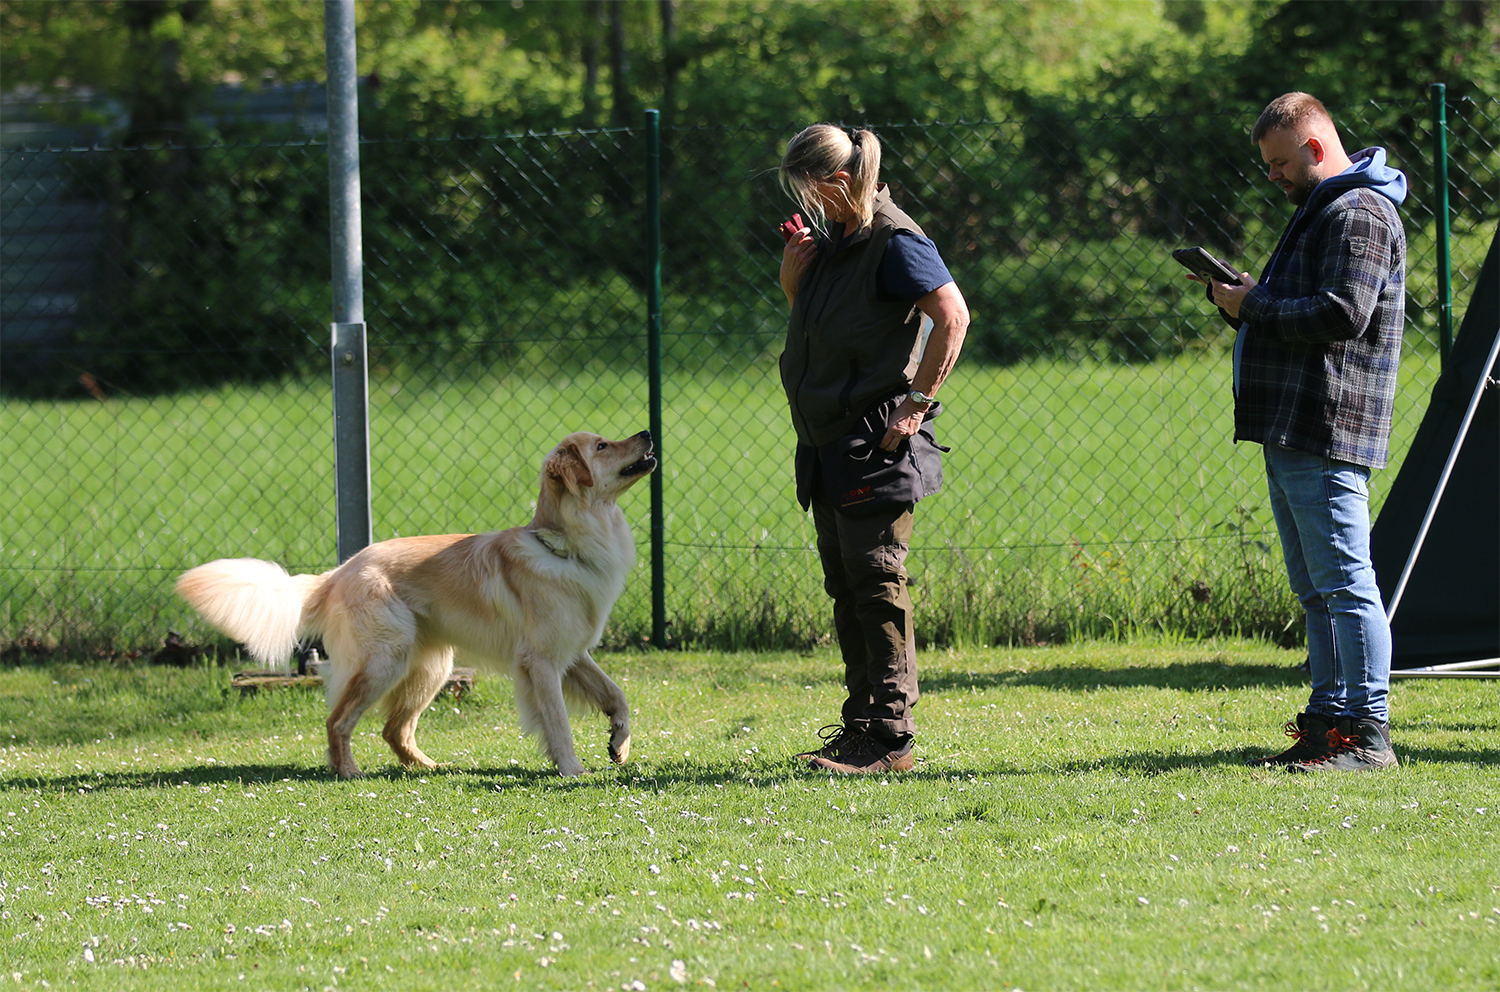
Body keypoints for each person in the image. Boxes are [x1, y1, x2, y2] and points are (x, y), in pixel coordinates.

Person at [1189, 93, 1407, 773]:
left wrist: (1254, 304)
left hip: (1327, 421)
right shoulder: (1323, 207)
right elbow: (1298, 307)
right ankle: (1327, 724)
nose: (1273, 175)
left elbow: (1343, 314)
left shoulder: (1357, 211)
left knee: (1345, 583)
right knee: (1317, 587)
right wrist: (1241, 299)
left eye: (1280, 162)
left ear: (1315, 147)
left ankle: (1365, 732)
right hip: (1294, 423)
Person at [775, 124, 970, 774]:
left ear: (839, 181)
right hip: (826, 445)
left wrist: (916, 403)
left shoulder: (895, 240)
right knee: (847, 586)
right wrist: (794, 283)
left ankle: (890, 738)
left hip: (873, 442)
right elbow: (831, 332)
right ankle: (859, 727)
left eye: (810, 191)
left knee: (877, 583)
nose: (807, 205)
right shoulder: (838, 241)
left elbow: (953, 315)